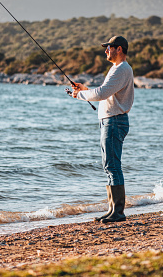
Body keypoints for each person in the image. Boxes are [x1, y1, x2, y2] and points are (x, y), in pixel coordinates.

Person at [71, 35, 134, 223]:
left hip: (114, 121)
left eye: (109, 47)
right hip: (111, 120)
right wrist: (85, 89)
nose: (106, 50)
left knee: (112, 166)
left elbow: (101, 93)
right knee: (109, 166)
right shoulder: (117, 69)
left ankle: (118, 212)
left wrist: (80, 94)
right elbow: (105, 94)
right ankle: (112, 209)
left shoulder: (121, 69)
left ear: (119, 49)